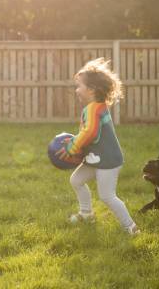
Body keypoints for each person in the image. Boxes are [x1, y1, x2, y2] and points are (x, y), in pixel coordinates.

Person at [56, 58, 140, 235]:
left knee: (107, 196)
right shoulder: (95, 107)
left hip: (107, 160)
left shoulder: (94, 109)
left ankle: (131, 227)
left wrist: (72, 146)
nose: (76, 90)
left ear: (91, 90)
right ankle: (86, 214)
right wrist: (80, 148)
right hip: (96, 158)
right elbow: (89, 132)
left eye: (79, 86)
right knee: (76, 180)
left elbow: (90, 133)